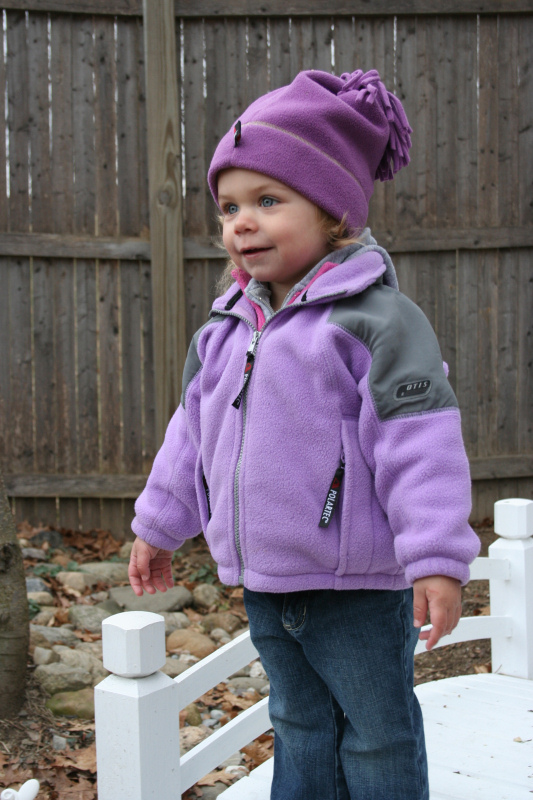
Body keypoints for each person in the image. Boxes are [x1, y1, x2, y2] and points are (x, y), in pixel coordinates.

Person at [128, 68, 480, 800]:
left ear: (333, 214)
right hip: (265, 583)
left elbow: (420, 447)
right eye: (227, 206)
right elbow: (190, 436)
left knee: (377, 731)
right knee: (295, 721)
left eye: (267, 200)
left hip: (354, 586)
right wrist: (158, 525)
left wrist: (436, 559)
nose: (239, 222)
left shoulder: (377, 323)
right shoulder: (225, 328)